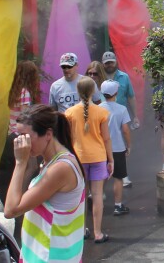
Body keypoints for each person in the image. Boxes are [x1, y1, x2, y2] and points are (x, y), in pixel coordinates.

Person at [4, 104, 86, 261]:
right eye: (18, 136)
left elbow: (11, 210)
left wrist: (20, 164)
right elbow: (21, 199)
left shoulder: (60, 168)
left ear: (48, 134)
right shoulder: (50, 162)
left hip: (51, 256)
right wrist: (28, 167)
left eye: (26, 136)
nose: (21, 142)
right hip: (45, 253)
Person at [65, 77, 113, 244]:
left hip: (79, 158)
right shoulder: (101, 112)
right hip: (98, 157)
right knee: (97, 195)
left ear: (77, 92)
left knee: (80, 195)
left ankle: (82, 230)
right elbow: (106, 139)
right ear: (94, 91)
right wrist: (111, 159)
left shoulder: (69, 113)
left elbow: (68, 138)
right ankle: (98, 233)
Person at [101, 51, 138, 187]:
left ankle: (123, 175)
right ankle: (102, 178)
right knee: (104, 143)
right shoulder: (99, 76)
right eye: (107, 63)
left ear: (115, 61)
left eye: (111, 62)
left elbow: (131, 96)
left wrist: (135, 116)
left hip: (121, 114)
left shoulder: (124, 77)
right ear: (103, 64)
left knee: (120, 144)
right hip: (103, 115)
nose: (109, 65)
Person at [2, 60, 42, 174]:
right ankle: (22, 191)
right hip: (21, 135)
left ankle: (19, 190)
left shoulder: (15, 91)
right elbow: (25, 117)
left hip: (12, 133)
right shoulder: (25, 93)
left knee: (21, 168)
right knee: (31, 167)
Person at [100, 80, 132, 217]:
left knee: (101, 176)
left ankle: (97, 200)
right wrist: (129, 145)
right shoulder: (122, 109)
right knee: (118, 177)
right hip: (118, 147)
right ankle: (118, 206)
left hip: (101, 147)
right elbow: (125, 130)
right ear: (116, 93)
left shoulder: (97, 108)